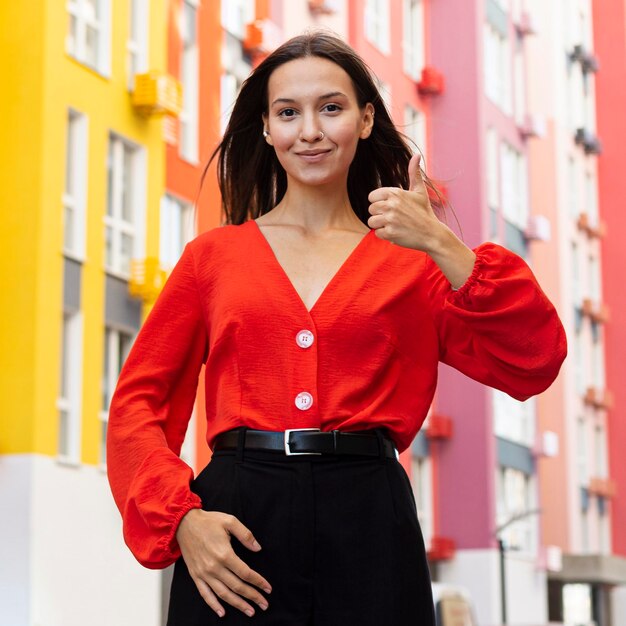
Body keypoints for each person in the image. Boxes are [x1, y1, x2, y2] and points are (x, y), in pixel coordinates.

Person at [107, 32, 567, 626]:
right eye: (288, 113)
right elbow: (137, 404)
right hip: (237, 529)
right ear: (268, 129)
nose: (310, 131)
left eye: (331, 107)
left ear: (366, 118)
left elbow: (533, 361)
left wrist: (444, 245)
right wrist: (182, 520)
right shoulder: (211, 259)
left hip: (370, 522)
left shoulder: (415, 262)